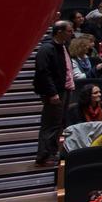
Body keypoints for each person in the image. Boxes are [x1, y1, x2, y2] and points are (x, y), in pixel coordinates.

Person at [35, 20, 75, 165]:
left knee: (58, 124)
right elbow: (43, 73)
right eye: (69, 31)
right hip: (55, 92)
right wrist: (52, 93)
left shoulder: (62, 47)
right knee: (50, 125)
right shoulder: (47, 49)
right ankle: (43, 156)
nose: (72, 34)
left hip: (64, 90)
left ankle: (52, 153)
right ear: (59, 31)